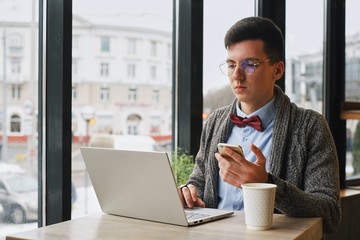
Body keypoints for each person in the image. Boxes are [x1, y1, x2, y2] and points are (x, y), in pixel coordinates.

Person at [178, 16, 341, 234]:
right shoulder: (215, 121)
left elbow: (330, 213)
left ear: (278, 70)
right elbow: (198, 180)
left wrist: (266, 184)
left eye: (250, 65)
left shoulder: (310, 126)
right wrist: (188, 192)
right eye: (231, 65)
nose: (237, 75)